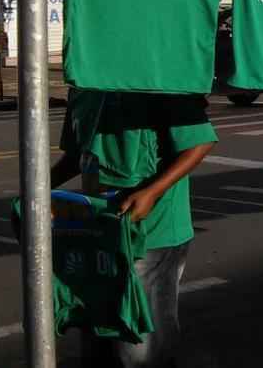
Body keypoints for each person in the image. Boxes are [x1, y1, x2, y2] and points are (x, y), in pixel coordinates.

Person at [51, 89, 216, 368]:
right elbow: (76, 154)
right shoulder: (83, 89)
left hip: (154, 234)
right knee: (99, 334)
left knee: (140, 348)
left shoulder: (158, 81)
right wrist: (38, 185)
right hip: (102, 233)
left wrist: (151, 192)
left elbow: (199, 143)